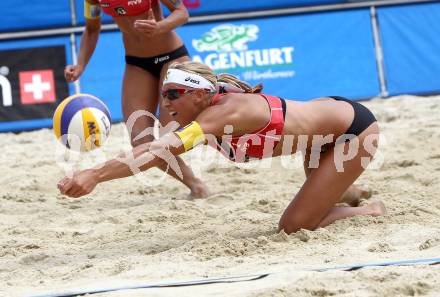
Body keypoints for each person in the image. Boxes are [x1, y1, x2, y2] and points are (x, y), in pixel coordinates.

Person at [58, 61, 387, 234]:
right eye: (163, 94)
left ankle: (369, 210)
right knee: (324, 191)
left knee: (292, 226)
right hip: (323, 133)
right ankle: (350, 190)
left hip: (352, 132)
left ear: (199, 95)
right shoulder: (207, 104)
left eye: (173, 94)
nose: (165, 102)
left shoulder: (223, 113)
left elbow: (158, 151)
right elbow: (153, 148)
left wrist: (95, 174)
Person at [64, 0, 208, 198]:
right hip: (137, 63)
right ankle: (196, 185)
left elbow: (181, 12)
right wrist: (80, 65)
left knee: (171, 135)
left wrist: (160, 27)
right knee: (140, 140)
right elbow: (91, 29)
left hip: (171, 57)